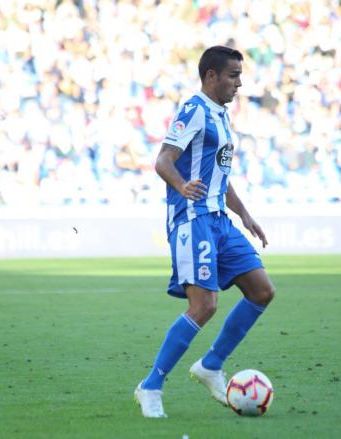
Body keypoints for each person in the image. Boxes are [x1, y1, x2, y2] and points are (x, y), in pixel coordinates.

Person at [134, 46, 275, 418]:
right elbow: (163, 160)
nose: (239, 83)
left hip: (220, 222)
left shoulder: (223, 117)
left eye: (240, 77)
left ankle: (211, 364)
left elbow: (221, 179)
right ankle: (150, 386)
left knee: (262, 291)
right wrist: (181, 186)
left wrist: (245, 214)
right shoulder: (194, 109)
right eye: (232, 76)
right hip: (192, 219)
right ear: (211, 76)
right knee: (204, 306)